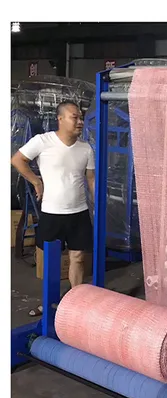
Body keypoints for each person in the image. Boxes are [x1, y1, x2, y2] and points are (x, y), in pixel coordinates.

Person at [11, 100, 95, 317]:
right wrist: (36, 181)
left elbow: (91, 179)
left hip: (79, 212)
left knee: (78, 258)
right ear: (60, 119)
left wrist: (97, 205)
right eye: (75, 117)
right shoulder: (43, 141)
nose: (80, 121)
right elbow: (17, 160)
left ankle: (75, 304)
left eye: (81, 118)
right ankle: (49, 302)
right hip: (52, 213)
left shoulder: (85, 148)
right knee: (50, 260)